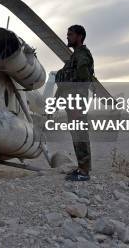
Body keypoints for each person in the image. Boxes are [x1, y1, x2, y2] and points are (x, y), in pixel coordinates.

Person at [54, 24, 94, 181]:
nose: (67, 37)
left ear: (79, 36)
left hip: (77, 101)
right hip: (71, 100)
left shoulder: (83, 55)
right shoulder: (75, 56)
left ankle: (84, 172)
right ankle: (81, 168)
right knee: (77, 135)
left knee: (80, 134)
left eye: (70, 34)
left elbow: (83, 79)